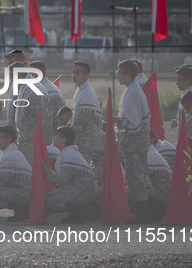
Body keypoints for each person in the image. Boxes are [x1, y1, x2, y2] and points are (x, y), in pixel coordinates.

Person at [115, 59, 156, 223]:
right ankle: (154, 209)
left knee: (135, 176)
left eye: (120, 73)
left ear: (128, 75)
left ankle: (143, 212)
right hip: (141, 140)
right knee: (142, 175)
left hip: (134, 141)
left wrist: (116, 121)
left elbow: (133, 123)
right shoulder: (133, 89)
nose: (117, 76)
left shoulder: (131, 92)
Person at [43, 126, 98, 223]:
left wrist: (46, 169)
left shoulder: (68, 155)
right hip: (86, 191)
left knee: (48, 198)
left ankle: (79, 211)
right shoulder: (70, 152)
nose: (53, 138)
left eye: (55, 135)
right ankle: (81, 210)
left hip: (82, 192)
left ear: (63, 138)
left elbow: (63, 179)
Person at [8, 61, 47, 164]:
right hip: (28, 138)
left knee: (29, 169)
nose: (11, 80)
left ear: (19, 75)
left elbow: (41, 117)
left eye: (12, 76)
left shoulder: (32, 91)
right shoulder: (26, 87)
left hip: (31, 140)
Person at [69, 61, 105, 166]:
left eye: (78, 73)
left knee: (86, 171)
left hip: (89, 142)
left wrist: (68, 130)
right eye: (73, 72)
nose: (74, 75)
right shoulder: (80, 89)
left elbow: (81, 120)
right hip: (84, 141)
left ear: (86, 75)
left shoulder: (86, 92)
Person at [0, 125, 32, 222]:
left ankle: (22, 209)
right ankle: (22, 210)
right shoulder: (12, 151)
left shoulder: (9, 156)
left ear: (8, 139)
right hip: (26, 192)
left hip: (25, 194)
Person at [29, 60, 66, 135]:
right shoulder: (51, 87)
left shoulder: (46, 90)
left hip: (51, 134)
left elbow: (46, 118)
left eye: (30, 73)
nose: (29, 76)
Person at [147, 141, 172, 219]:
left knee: (131, 193)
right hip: (165, 190)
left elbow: (144, 180)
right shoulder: (152, 151)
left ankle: (155, 212)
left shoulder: (149, 154)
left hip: (163, 192)